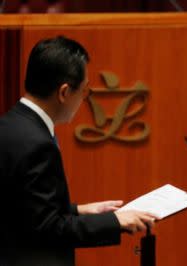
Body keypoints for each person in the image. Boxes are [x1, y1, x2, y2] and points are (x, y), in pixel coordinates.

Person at [0, 36, 158, 266]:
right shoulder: (38, 144)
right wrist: (115, 221)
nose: (84, 98)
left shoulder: (9, 125)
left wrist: (80, 210)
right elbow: (49, 229)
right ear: (64, 93)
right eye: (84, 91)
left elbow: (23, 209)